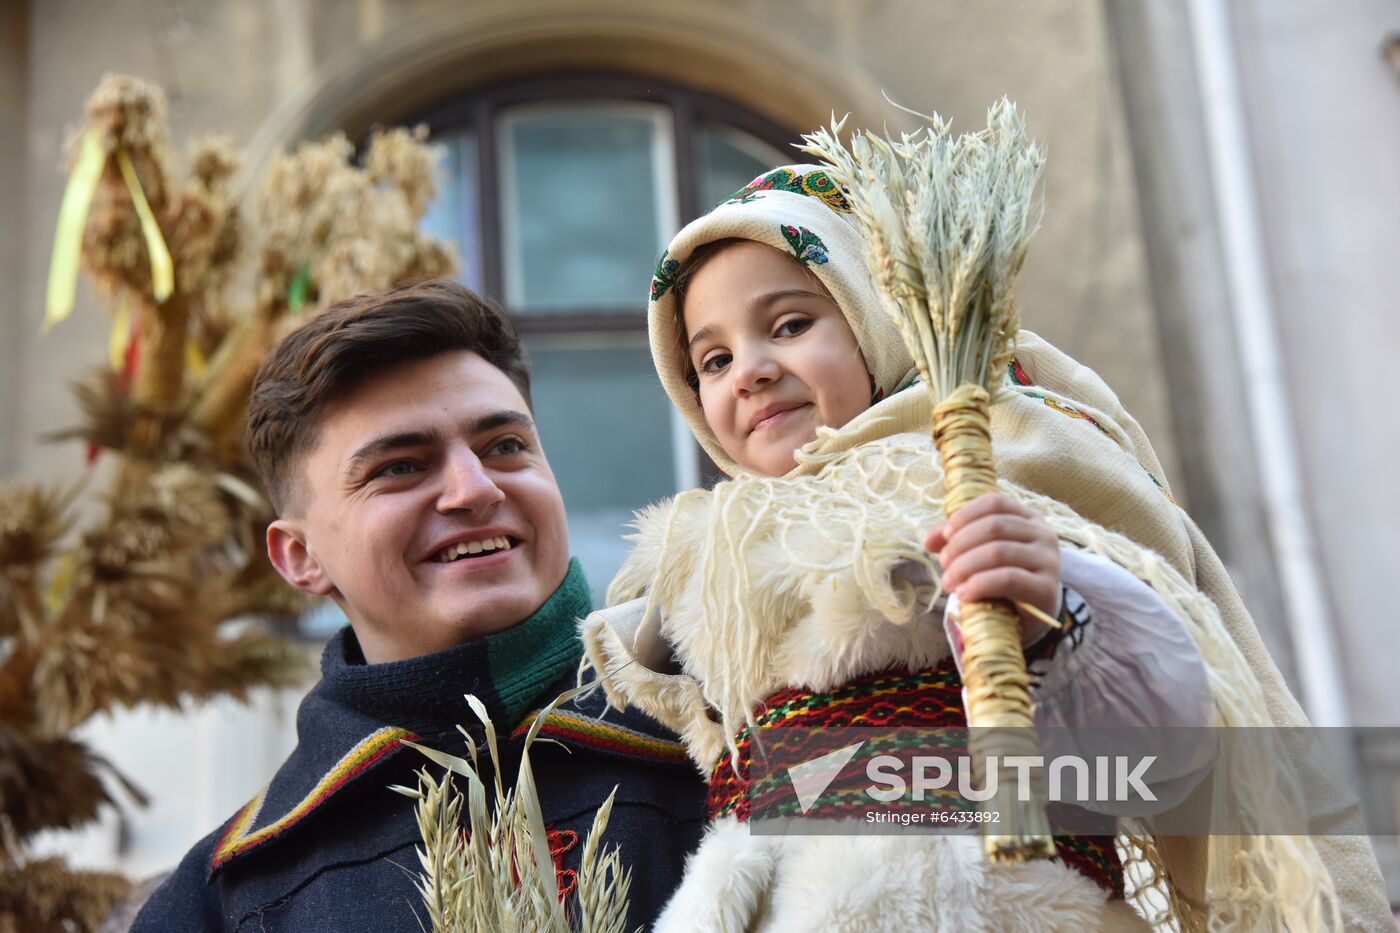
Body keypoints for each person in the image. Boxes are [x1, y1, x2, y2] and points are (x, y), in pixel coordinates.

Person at [582, 164, 1389, 930]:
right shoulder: (708, 553)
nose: (750, 371)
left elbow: (1168, 739)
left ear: (881, 320)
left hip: (990, 898)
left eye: (790, 324)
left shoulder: (992, 461)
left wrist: (1059, 609)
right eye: (712, 360)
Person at [131, 281, 707, 931]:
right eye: (400, 466)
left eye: (505, 446)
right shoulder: (225, 896)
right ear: (300, 556)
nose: (475, 488)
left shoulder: (760, 717)